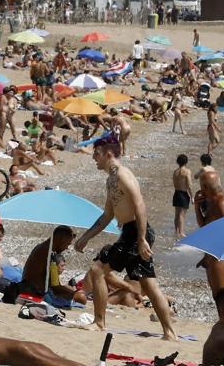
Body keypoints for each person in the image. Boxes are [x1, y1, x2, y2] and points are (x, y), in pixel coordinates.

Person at [74, 135, 177, 339]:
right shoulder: (110, 180)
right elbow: (107, 215)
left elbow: (139, 204)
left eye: (96, 153)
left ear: (108, 154)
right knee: (148, 284)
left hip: (136, 232)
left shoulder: (123, 175)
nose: (94, 157)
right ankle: (170, 332)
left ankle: (99, 323)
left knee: (98, 271)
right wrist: (86, 237)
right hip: (130, 232)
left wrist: (141, 239)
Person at [20, 225, 86, 308]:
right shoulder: (47, 253)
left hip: (30, 290)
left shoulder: (45, 249)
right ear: (60, 239)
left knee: (77, 297)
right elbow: (55, 287)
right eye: (67, 244)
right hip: (36, 294)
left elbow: (54, 284)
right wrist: (74, 294)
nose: (67, 248)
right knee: (80, 298)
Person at [172, 154, 193, 237]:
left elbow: (174, 183)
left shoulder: (175, 172)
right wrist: (192, 196)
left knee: (177, 214)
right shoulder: (187, 171)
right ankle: (181, 232)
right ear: (186, 162)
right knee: (182, 214)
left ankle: (176, 231)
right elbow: (189, 184)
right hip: (183, 194)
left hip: (176, 193)